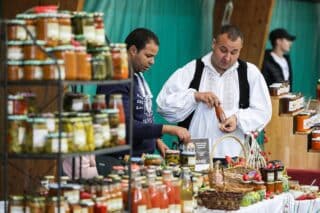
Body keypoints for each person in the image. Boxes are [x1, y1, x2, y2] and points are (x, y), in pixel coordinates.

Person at [156, 25, 272, 164]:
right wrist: (195, 96)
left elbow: (263, 111)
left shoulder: (250, 73)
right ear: (213, 43)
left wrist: (238, 119)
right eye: (223, 50)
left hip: (236, 152)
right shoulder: (193, 69)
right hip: (197, 149)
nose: (227, 57)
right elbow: (163, 104)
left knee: (233, 185)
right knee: (197, 184)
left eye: (234, 52)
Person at [97, 28, 190, 158]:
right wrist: (169, 129)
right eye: (148, 56)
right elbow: (123, 125)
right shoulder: (116, 79)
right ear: (133, 50)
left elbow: (143, 116)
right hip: (120, 162)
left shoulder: (137, 76)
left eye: (154, 57)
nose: (152, 62)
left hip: (140, 159)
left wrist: (157, 141)